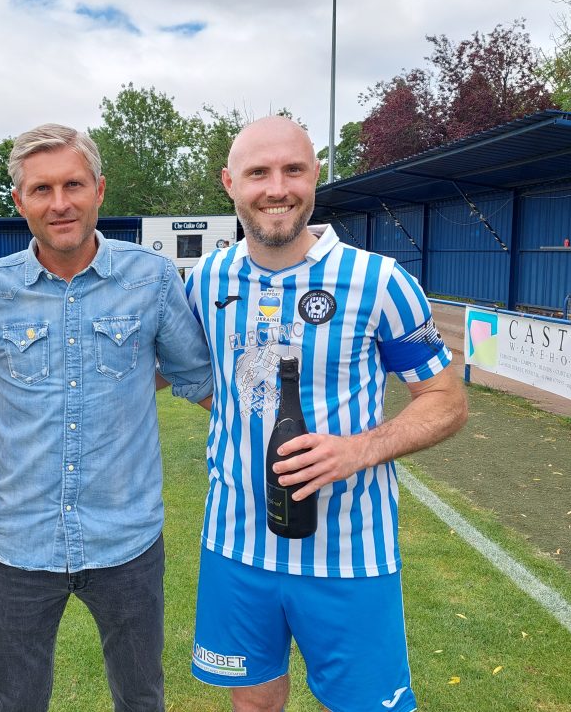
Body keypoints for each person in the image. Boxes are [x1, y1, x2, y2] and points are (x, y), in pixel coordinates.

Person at [185, 116, 468, 712]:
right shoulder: (208, 278)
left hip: (348, 554)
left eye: (293, 169)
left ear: (315, 175)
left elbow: (446, 400)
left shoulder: (379, 281)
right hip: (235, 544)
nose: (276, 187)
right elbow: (175, 370)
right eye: (258, 172)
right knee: (255, 704)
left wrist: (357, 449)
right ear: (230, 182)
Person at [0, 123, 213, 712]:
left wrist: (275, 435)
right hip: (19, 544)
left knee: (141, 698)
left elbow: (195, 376)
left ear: (99, 188)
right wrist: (5, 424)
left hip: (128, 540)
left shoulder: (150, 279)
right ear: (19, 201)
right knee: (17, 701)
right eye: (41, 189)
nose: (59, 203)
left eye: (73, 184)